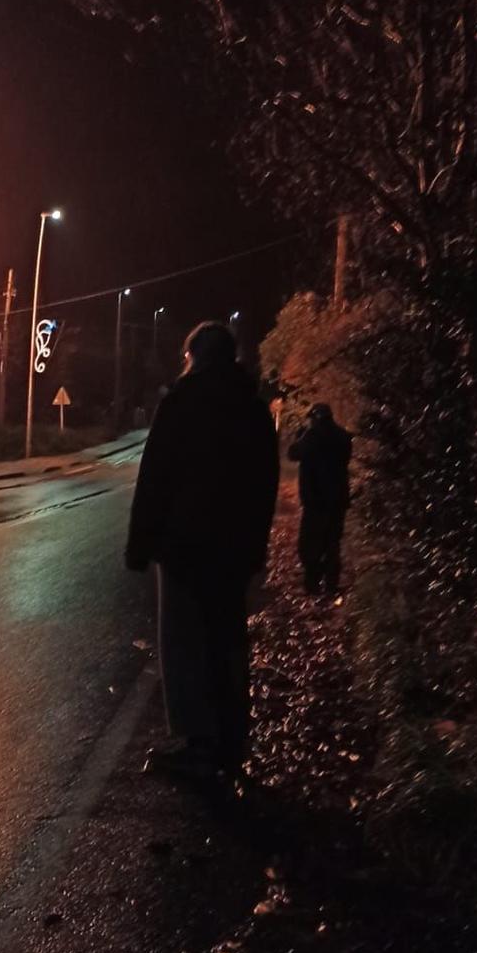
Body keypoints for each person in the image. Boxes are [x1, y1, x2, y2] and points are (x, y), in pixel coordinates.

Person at [125, 320, 280, 780]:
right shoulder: (252, 409)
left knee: (186, 643)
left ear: (193, 356)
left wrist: (140, 543)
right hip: (233, 550)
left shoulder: (182, 403)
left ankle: (197, 742)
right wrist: (257, 547)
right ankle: (231, 740)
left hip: (185, 547)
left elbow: (155, 478)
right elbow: (264, 484)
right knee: (228, 640)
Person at [287, 401, 353, 595]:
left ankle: (313, 584)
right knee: (332, 541)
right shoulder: (342, 436)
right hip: (338, 498)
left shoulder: (313, 436)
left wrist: (301, 435)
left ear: (315, 418)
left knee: (310, 543)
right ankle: (331, 584)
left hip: (315, 499)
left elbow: (293, 453)